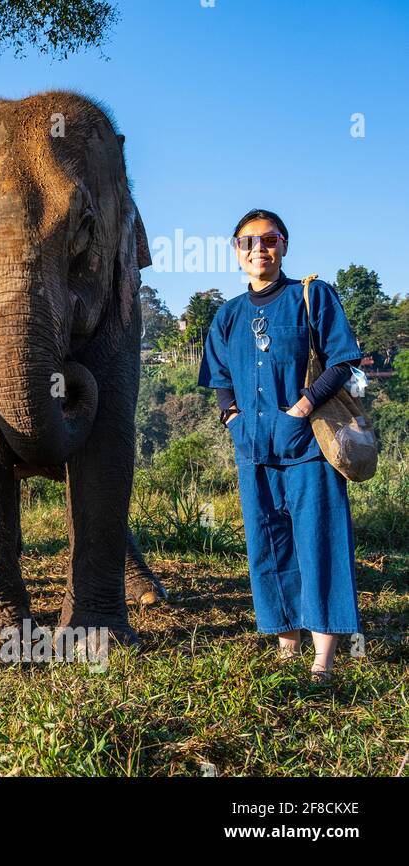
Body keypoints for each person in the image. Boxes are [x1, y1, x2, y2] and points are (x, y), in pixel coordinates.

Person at [198, 208, 364, 683]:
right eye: (248, 241)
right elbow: (220, 376)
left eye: (269, 239)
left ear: (284, 246)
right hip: (253, 448)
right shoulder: (227, 315)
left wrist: (305, 406)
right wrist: (231, 416)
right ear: (236, 251)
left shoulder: (312, 297)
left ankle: (323, 658)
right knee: (268, 546)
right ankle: (285, 646)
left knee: (320, 542)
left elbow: (342, 361)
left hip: (310, 446)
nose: (259, 249)